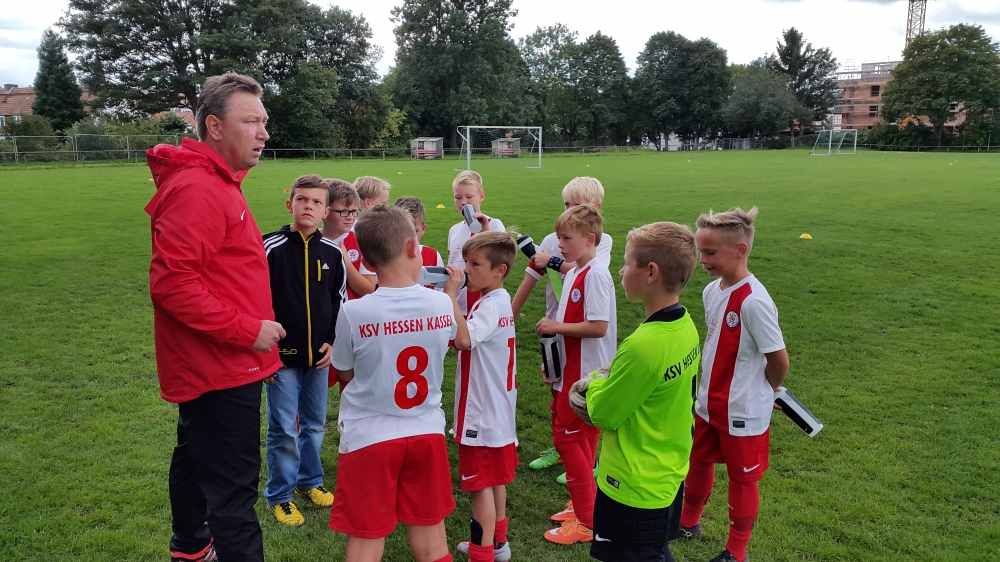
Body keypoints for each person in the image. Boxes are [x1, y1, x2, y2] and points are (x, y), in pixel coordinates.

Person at [145, 72, 284, 562]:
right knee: (233, 489)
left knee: (194, 456)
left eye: (264, 121)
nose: (264, 132)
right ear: (215, 127)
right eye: (251, 122)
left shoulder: (216, 183)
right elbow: (172, 285)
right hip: (221, 365)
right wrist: (248, 330)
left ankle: (189, 546)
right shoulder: (199, 188)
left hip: (222, 362)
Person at [328, 204, 468, 562]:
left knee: (366, 540)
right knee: (433, 543)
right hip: (426, 431)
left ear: (366, 260)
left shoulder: (354, 311)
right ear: (411, 247)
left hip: (369, 436)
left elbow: (344, 372)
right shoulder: (441, 304)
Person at [573, 222, 701, 562]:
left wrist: (594, 382)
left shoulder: (643, 345)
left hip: (631, 485)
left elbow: (603, 413)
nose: (621, 270)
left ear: (651, 273)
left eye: (627, 263)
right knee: (654, 552)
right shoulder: (685, 325)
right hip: (666, 472)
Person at [677, 207, 789, 562]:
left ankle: (736, 552)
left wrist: (767, 389)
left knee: (743, 480)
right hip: (708, 402)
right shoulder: (712, 290)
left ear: (740, 250)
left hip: (742, 409)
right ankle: (687, 523)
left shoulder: (754, 302)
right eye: (701, 251)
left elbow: (779, 360)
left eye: (710, 253)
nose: (703, 260)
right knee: (698, 461)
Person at [510, 177, 611, 484]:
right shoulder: (555, 239)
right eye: (566, 204)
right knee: (557, 398)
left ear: (595, 209)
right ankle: (563, 451)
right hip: (557, 332)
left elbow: (586, 270)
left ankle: (584, 461)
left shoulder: (600, 243)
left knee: (579, 407)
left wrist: (552, 261)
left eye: (576, 205)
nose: (568, 210)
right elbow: (530, 277)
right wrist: (507, 318)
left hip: (577, 336)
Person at [261, 174, 347, 526]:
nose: (308, 206)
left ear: (326, 211)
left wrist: (332, 339)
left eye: (316, 202)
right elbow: (255, 301)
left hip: (319, 358)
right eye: (302, 200)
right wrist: (266, 354)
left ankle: (310, 481)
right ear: (290, 204)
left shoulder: (333, 253)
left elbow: (338, 300)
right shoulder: (270, 248)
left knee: (313, 425)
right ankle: (279, 495)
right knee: (284, 427)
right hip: (281, 359)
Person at [534, 204, 617, 545]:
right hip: (570, 371)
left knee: (568, 440)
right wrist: (553, 362)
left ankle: (586, 521)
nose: (560, 245)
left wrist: (556, 327)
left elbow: (598, 327)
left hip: (584, 376)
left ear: (590, 239)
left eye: (566, 238)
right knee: (582, 438)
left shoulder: (595, 274)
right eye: (559, 238)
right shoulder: (575, 272)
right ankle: (586, 504)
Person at [450, 232, 519, 562]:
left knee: (480, 488)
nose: (466, 270)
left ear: (499, 270)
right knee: (494, 482)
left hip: (482, 413)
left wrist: (450, 296)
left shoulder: (491, 305)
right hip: (497, 410)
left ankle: (482, 553)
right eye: (466, 262)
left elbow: (464, 340)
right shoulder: (497, 300)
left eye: (475, 264)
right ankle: (498, 544)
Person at [447, 171, 506, 317]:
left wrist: (485, 231)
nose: (463, 202)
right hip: (457, 304)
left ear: (481, 196)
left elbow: (500, 261)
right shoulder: (454, 230)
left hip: (482, 306)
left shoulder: (494, 224)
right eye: (458, 197)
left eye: (469, 197)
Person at [322, 179, 376, 301]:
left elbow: (368, 290)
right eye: (344, 212)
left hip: (348, 310)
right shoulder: (310, 241)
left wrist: (345, 261)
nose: (351, 217)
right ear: (325, 211)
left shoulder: (362, 242)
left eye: (354, 211)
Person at [393, 196, 445, 287]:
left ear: (423, 228)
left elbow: (440, 290)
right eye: (402, 230)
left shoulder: (433, 256)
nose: (409, 238)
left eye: (415, 231)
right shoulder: (386, 257)